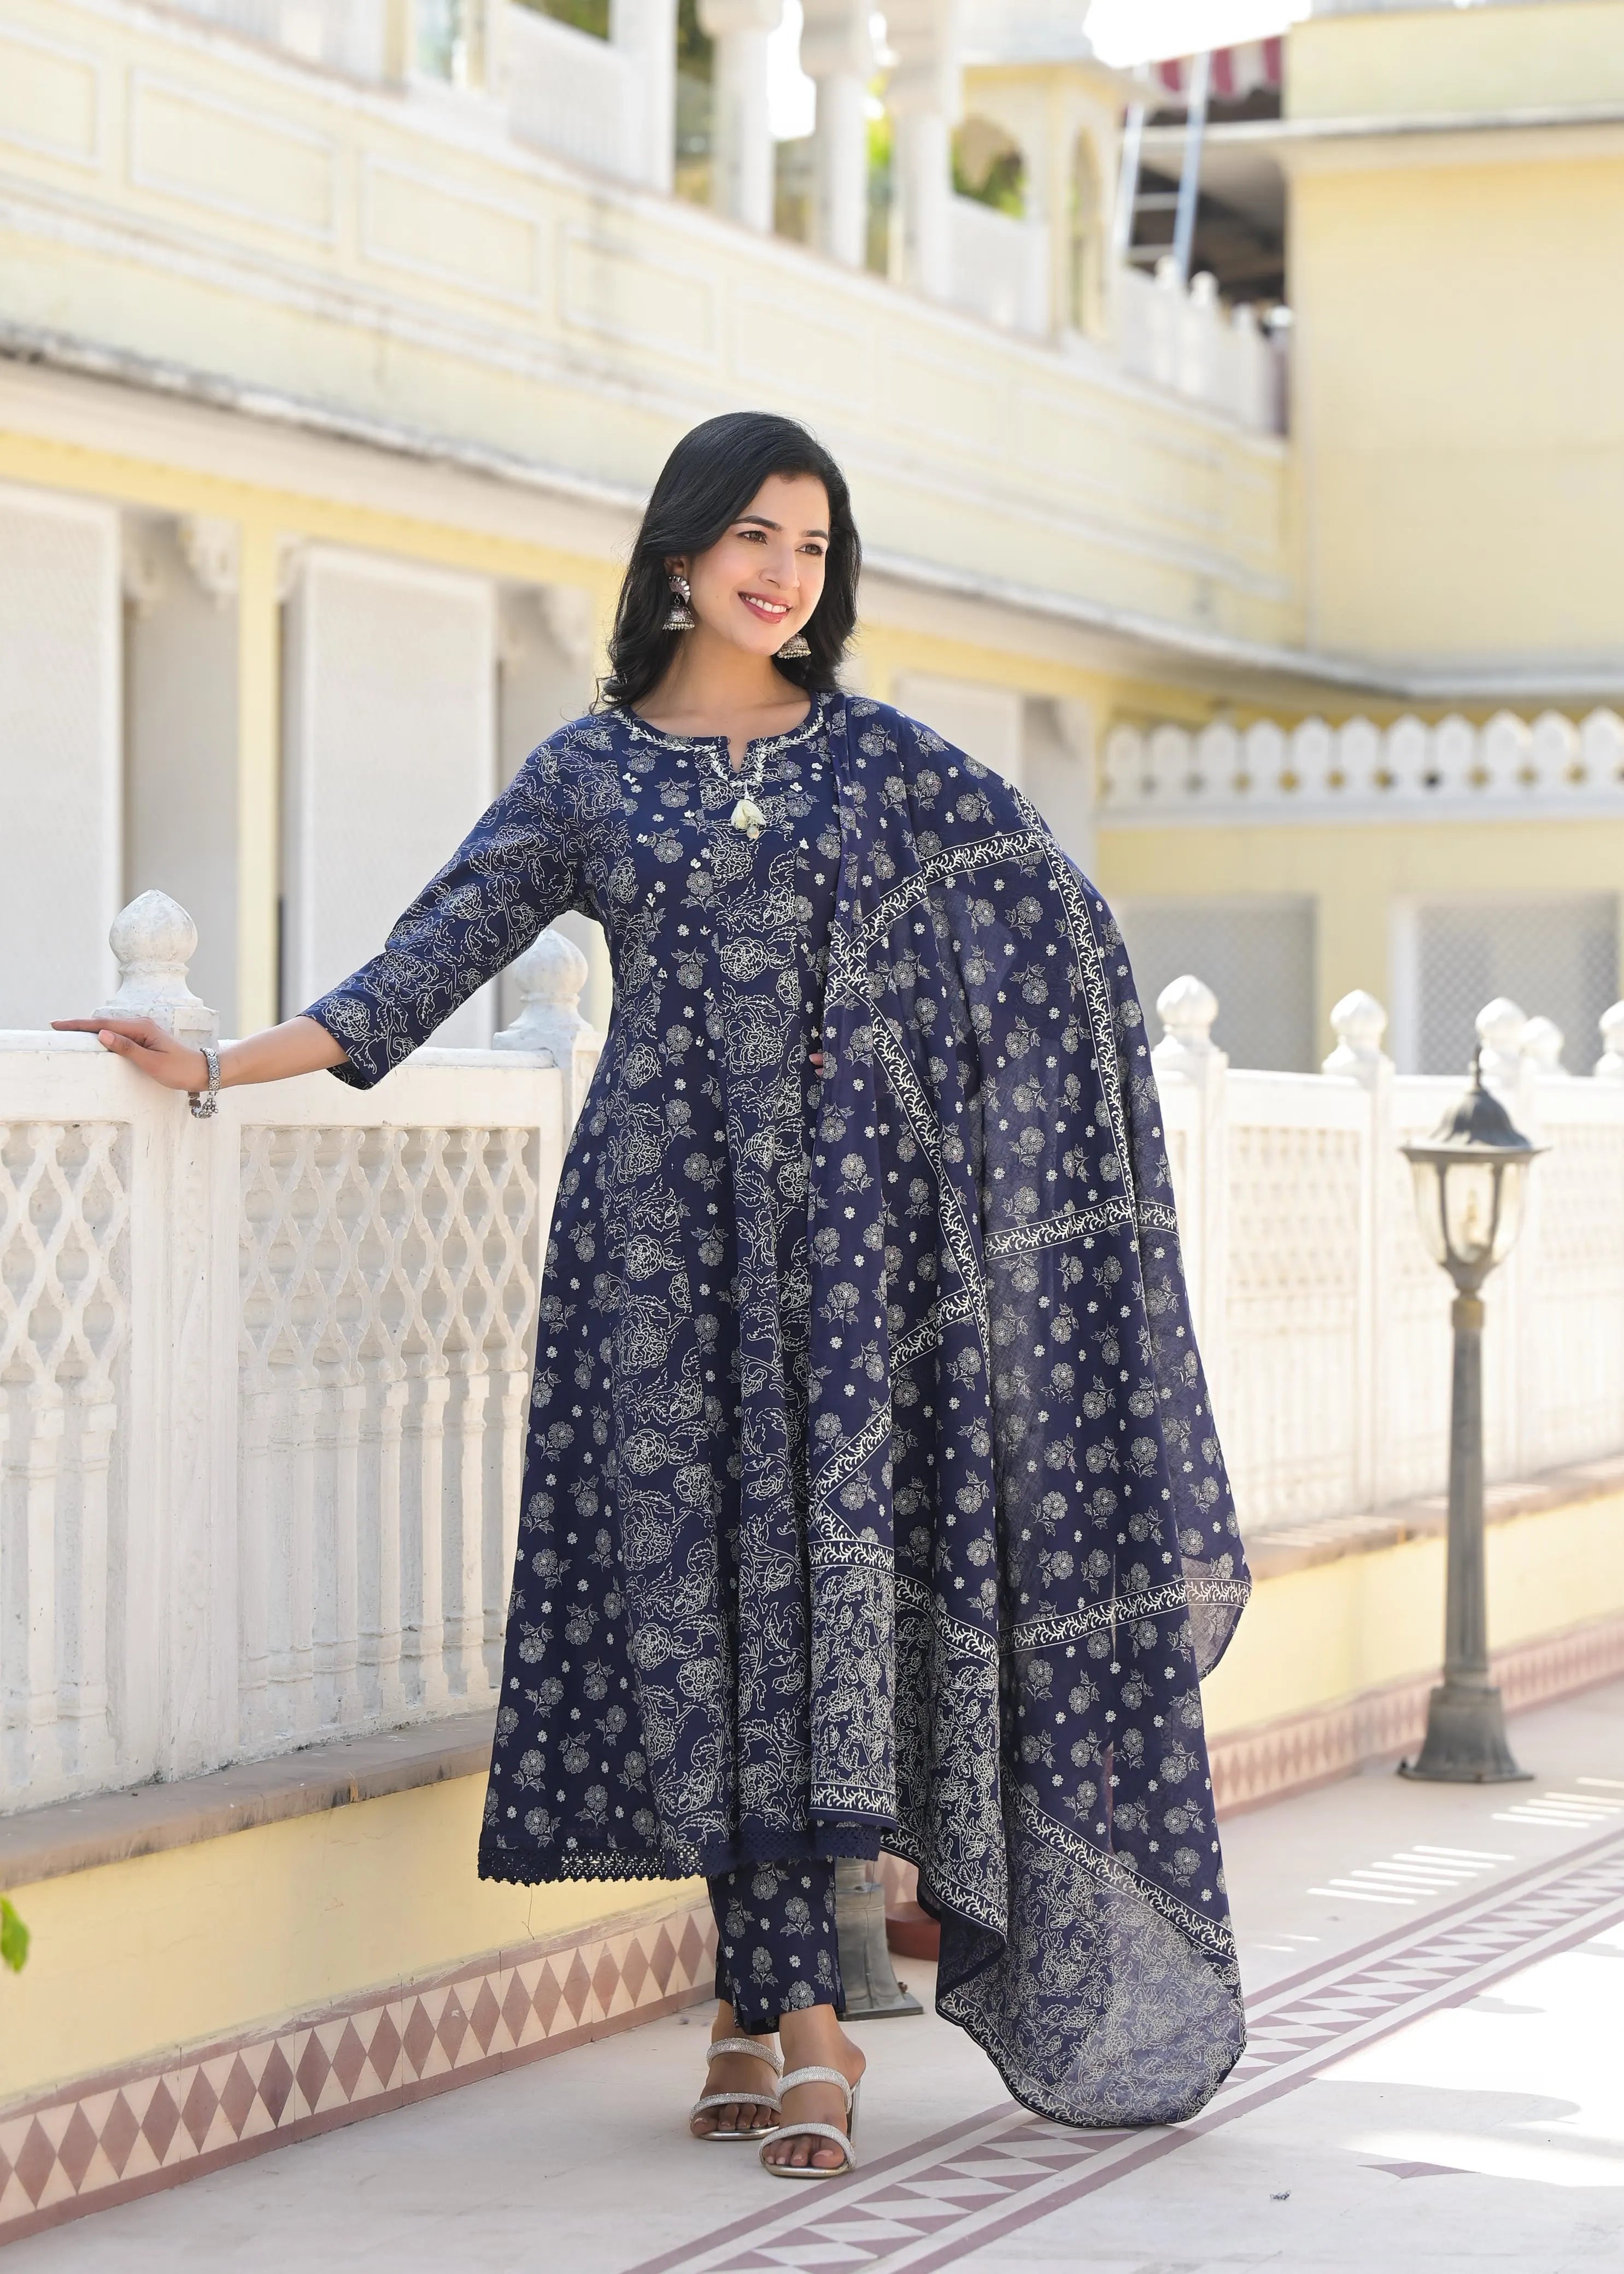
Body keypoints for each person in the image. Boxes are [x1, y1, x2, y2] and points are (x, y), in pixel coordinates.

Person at [58, 411, 1251, 2178]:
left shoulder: (888, 767)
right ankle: (765, 2005)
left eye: (816, 549)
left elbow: (1051, 925)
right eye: (756, 538)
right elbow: (423, 963)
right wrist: (224, 1062)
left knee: (811, 1621)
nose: (785, 575)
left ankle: (801, 2027)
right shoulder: (588, 774)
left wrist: (948, 1122)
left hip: (845, 1267)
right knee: (701, 1626)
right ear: (681, 550)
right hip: (655, 1252)